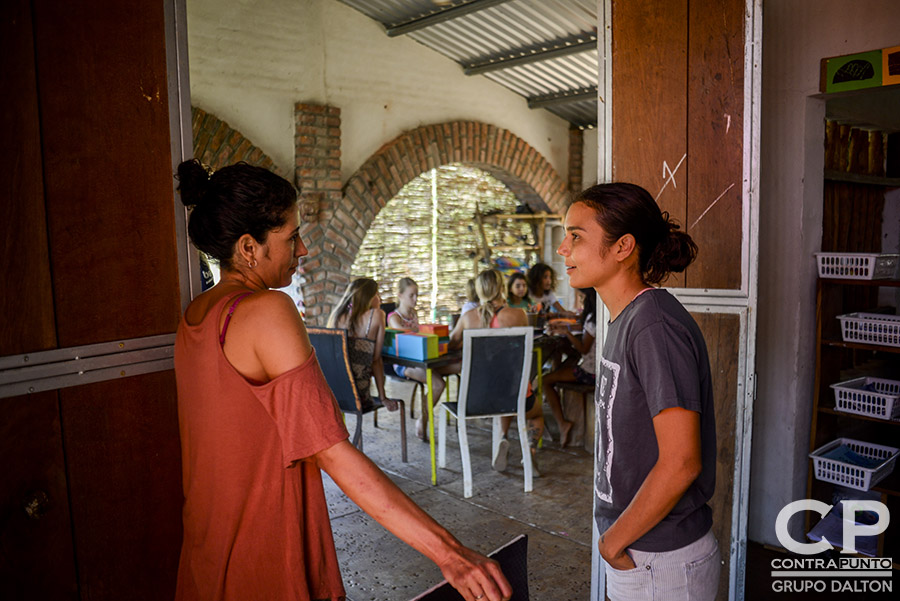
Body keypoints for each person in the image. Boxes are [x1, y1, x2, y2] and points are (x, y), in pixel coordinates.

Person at [173, 159, 511, 601]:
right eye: (291, 237)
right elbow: (332, 452)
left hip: (207, 550)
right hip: (261, 554)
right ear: (248, 247)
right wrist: (448, 552)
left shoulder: (195, 317)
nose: (303, 251)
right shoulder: (267, 311)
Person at [557, 182, 718, 601]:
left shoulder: (654, 327)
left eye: (576, 236)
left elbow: (682, 461)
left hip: (660, 559)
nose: (563, 249)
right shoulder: (628, 319)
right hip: (641, 548)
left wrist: (613, 543)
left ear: (623, 246)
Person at [449, 269, 543, 475]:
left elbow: (452, 344)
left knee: (499, 390)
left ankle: (503, 437)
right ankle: (530, 453)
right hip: (514, 394)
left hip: (478, 397)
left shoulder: (467, 318)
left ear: (478, 290)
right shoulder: (518, 315)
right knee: (536, 414)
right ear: (502, 288)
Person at [386, 277, 458, 441]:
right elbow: (409, 336)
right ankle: (423, 419)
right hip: (403, 364)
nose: (415, 299)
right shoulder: (394, 318)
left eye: (417, 295)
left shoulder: (413, 314)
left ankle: (426, 416)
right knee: (438, 384)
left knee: (459, 366)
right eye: (411, 295)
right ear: (400, 295)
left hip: (420, 359)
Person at [327, 278, 399, 412]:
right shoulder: (377, 315)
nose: (380, 299)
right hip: (359, 396)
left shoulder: (336, 316)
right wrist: (383, 397)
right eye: (377, 294)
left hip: (332, 394)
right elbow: (376, 360)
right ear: (369, 297)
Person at [540, 288, 597, 448]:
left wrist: (567, 333)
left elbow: (584, 349)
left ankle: (562, 423)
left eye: (581, 297)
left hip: (590, 373)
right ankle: (558, 401)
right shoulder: (596, 317)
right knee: (568, 359)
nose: (580, 301)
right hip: (594, 368)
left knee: (546, 380)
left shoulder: (593, 320)